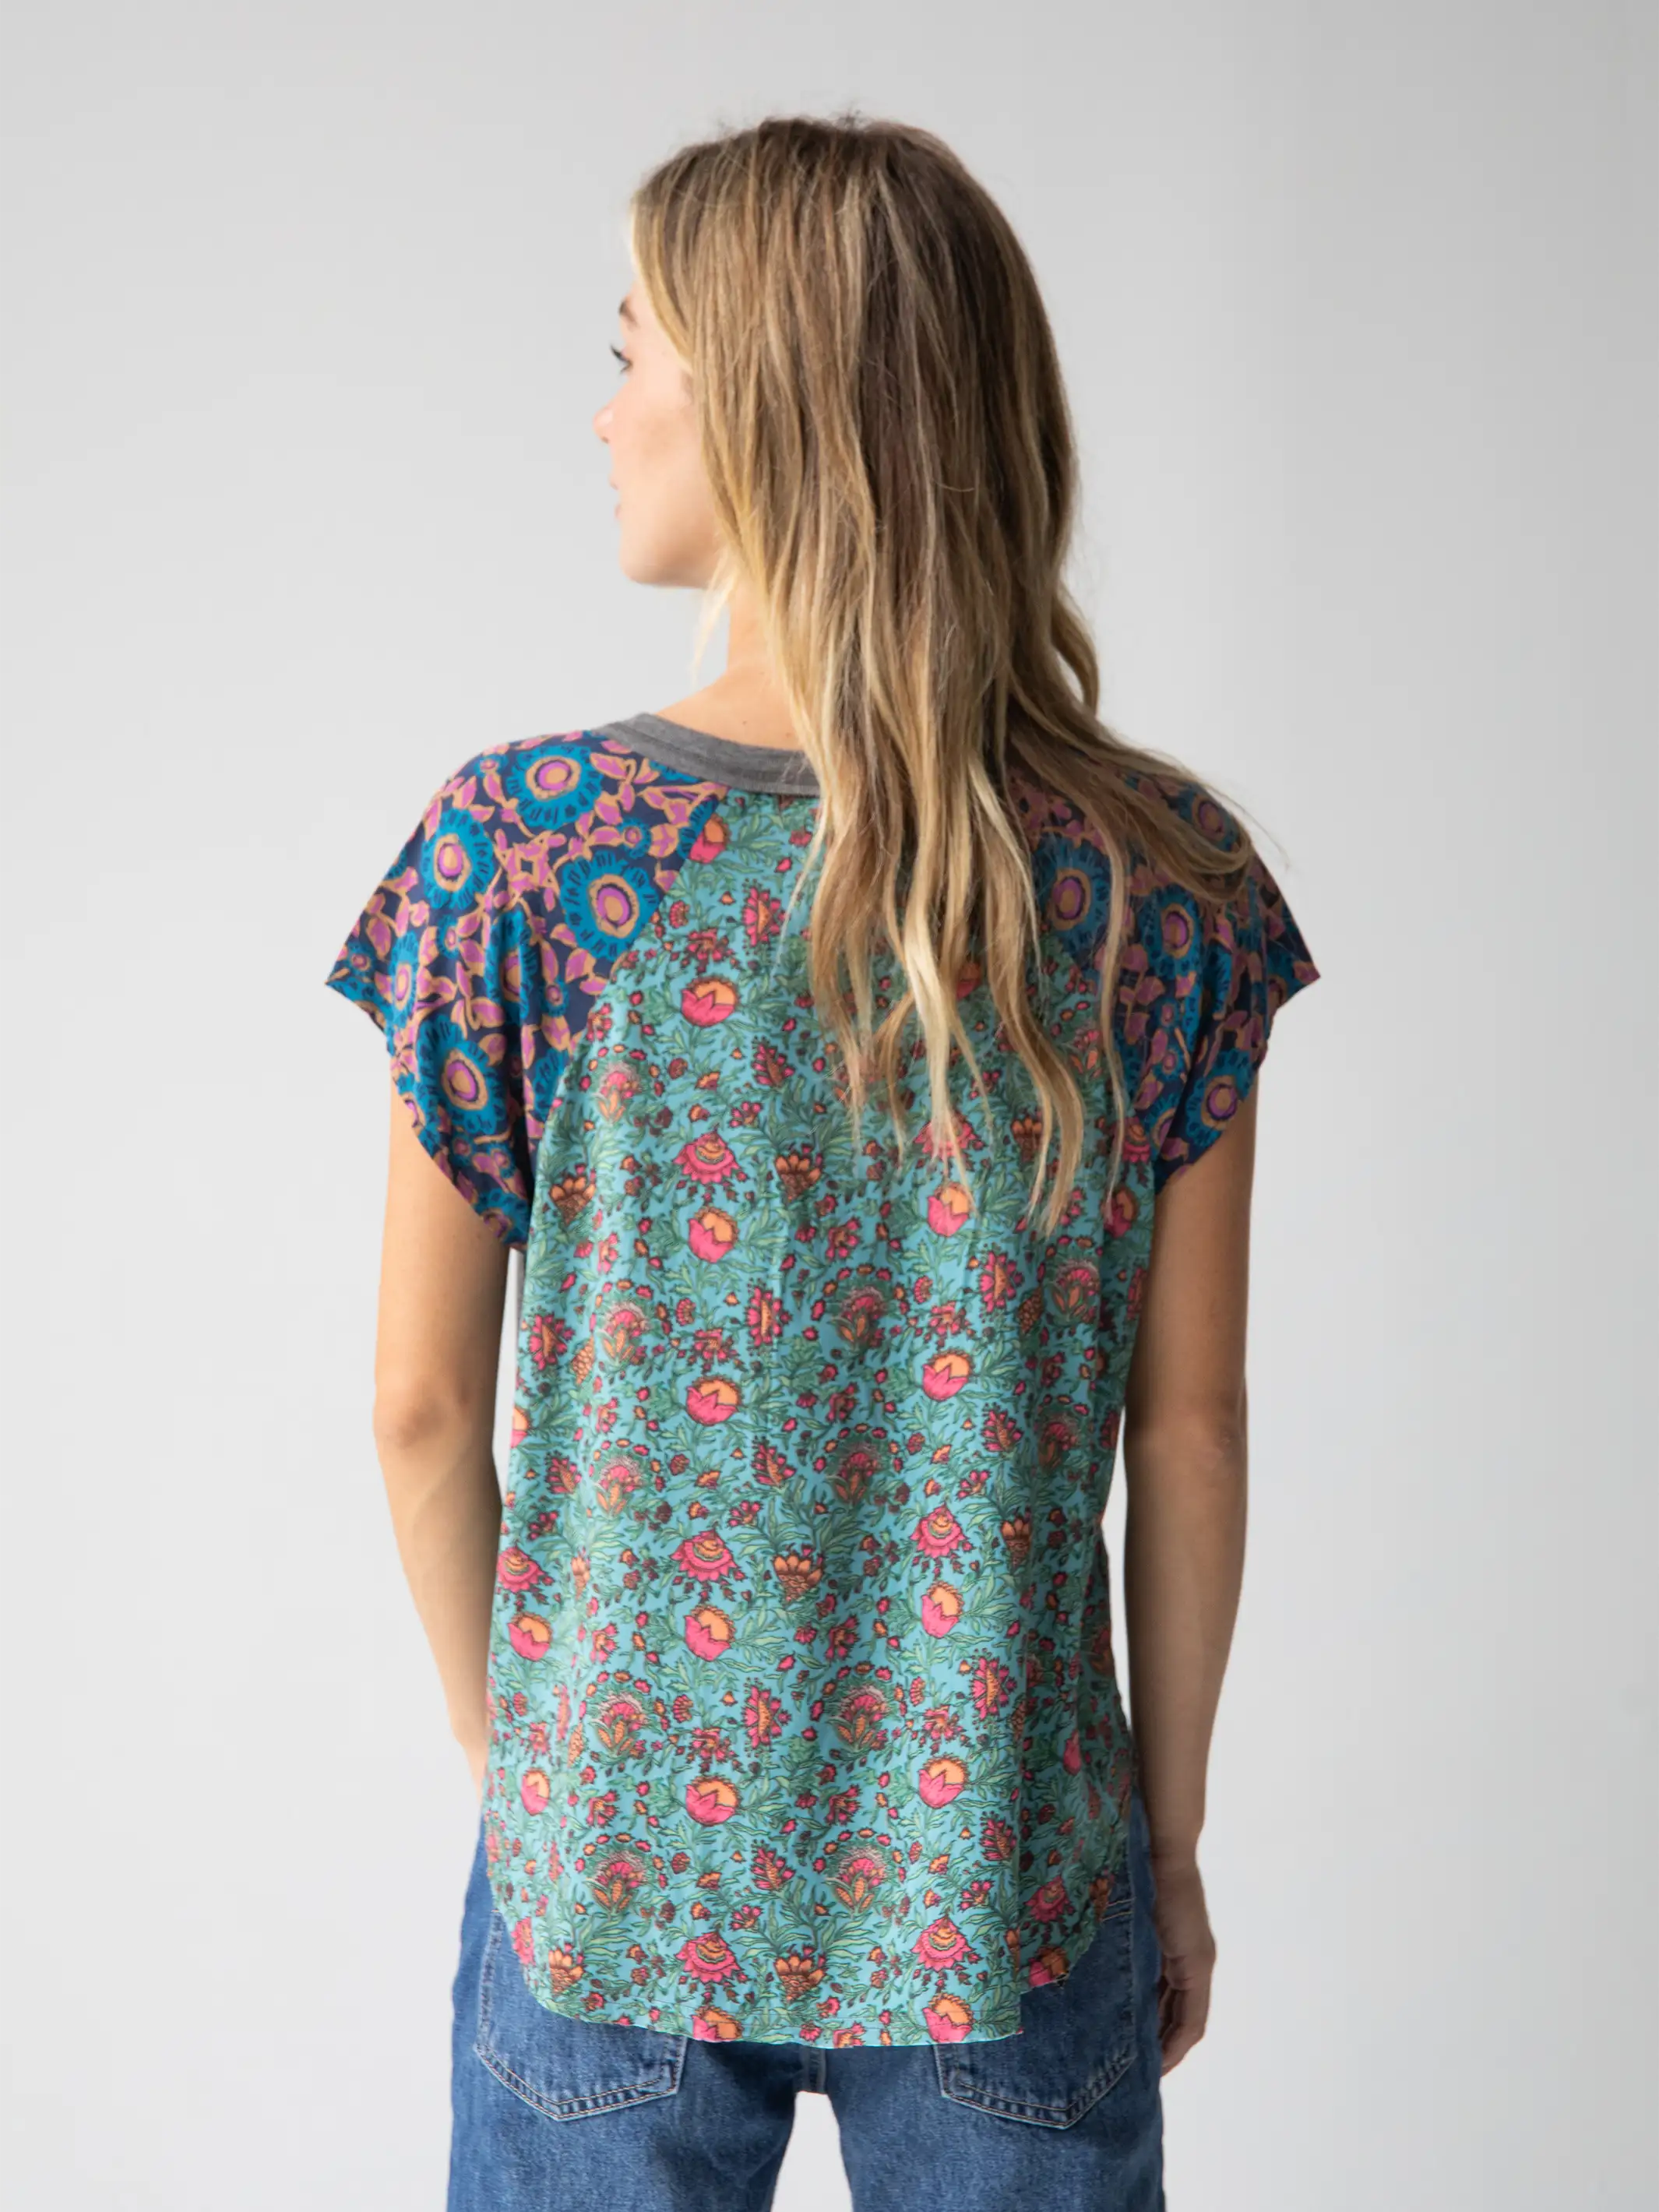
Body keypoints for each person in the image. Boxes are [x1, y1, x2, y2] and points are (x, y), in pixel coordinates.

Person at [324, 111, 1320, 2212]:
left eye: (633, 358)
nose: (603, 415)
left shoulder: (526, 854)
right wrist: (1169, 1848)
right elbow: (1195, 1429)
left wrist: (541, 1794)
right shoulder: (1163, 882)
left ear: (764, 412)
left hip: (610, 1883)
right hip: (1005, 1886)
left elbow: (418, 1409)